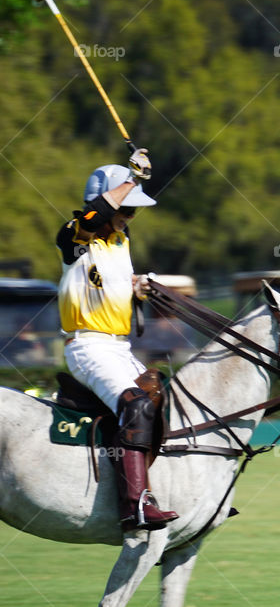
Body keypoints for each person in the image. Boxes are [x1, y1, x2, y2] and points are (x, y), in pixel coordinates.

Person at [56, 149, 178, 532]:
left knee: (166, 402)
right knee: (136, 406)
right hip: (87, 346)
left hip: (119, 347)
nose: (129, 217)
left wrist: (136, 287)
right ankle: (134, 506)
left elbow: (114, 285)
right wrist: (133, 179)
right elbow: (92, 216)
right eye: (126, 209)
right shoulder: (76, 239)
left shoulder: (121, 245)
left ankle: (180, 493)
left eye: (133, 211)